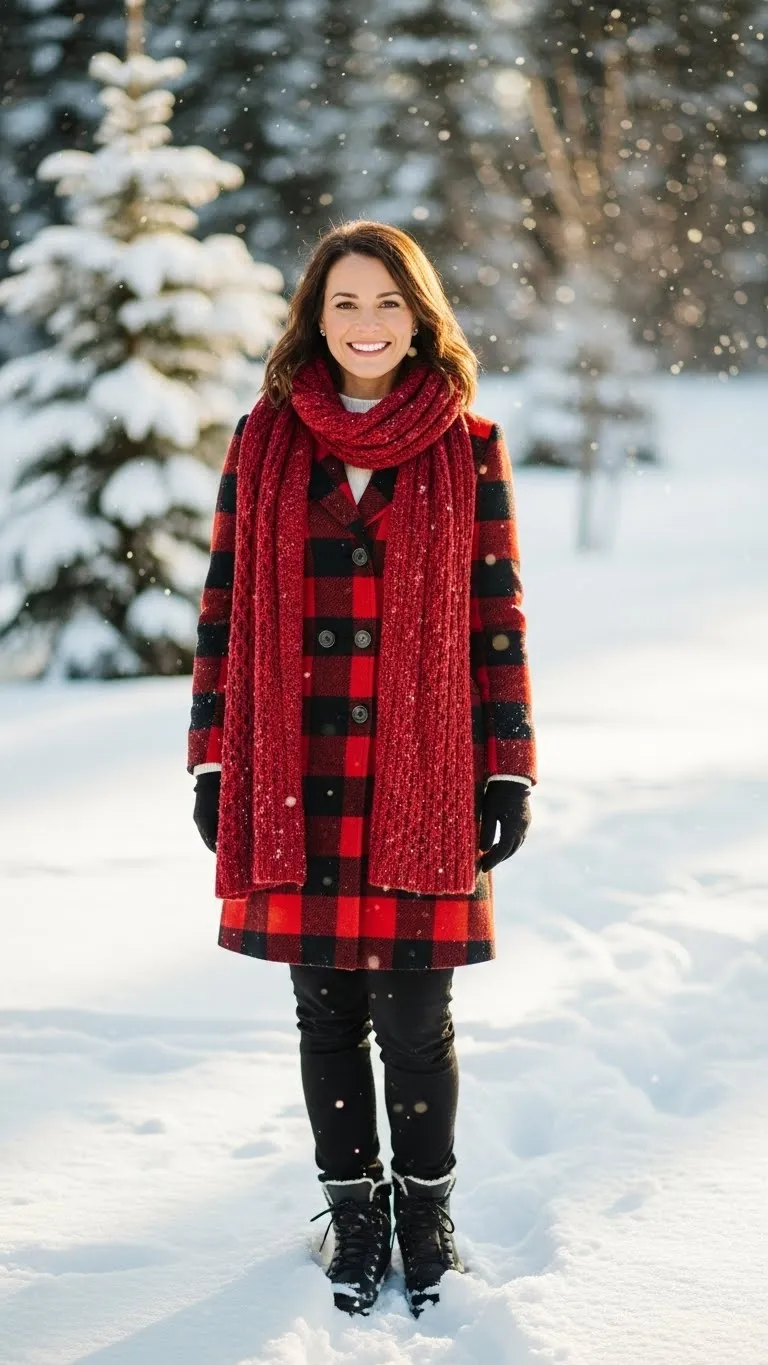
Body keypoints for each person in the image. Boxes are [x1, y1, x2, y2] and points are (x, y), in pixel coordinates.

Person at [188, 219, 537, 1318]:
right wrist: (212, 759)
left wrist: (510, 768)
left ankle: (425, 1214)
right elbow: (222, 609)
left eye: (388, 302)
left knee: (416, 1018)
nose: (367, 323)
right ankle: (353, 1212)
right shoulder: (263, 440)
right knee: (326, 1013)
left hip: (424, 770)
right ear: (316, 317)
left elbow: (496, 617)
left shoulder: (468, 445)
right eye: (345, 302)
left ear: (419, 318)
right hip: (294, 764)